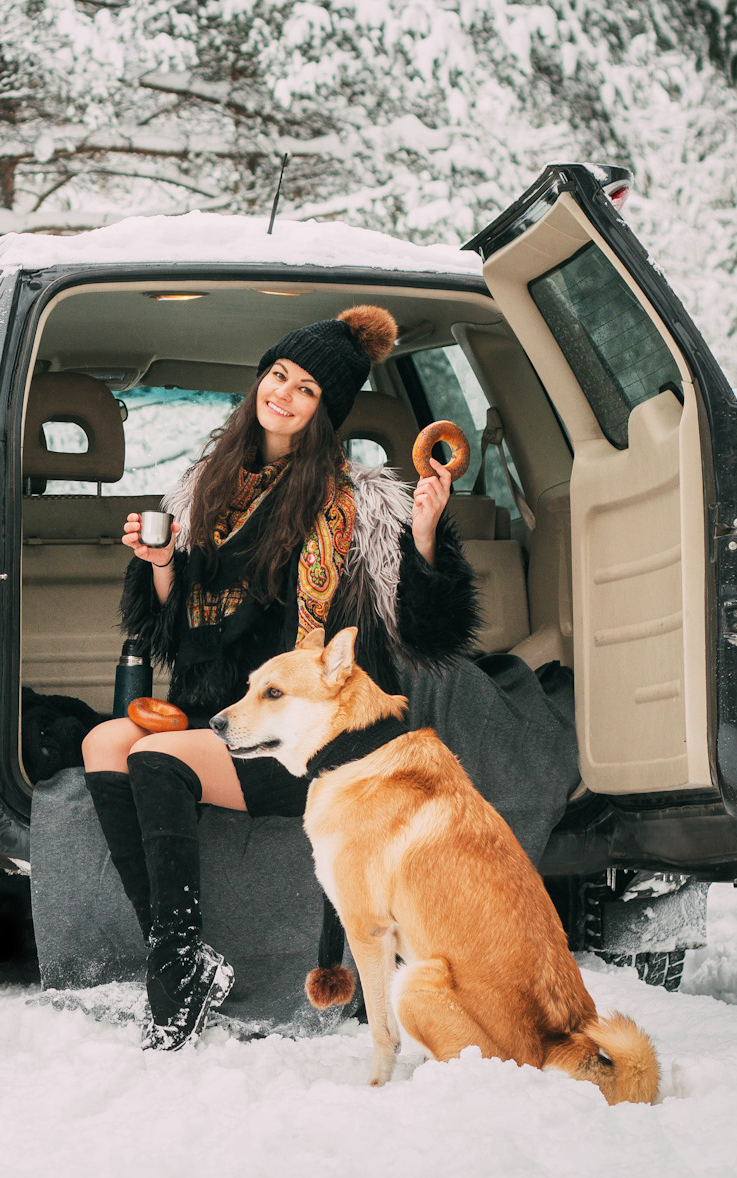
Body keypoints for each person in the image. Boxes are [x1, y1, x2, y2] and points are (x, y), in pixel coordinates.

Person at [81, 304, 485, 1049]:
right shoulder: (205, 489)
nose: (285, 395)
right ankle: (177, 953)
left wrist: (426, 535)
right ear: (261, 381)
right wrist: (162, 565)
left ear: (325, 410)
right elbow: (170, 633)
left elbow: (431, 636)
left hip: (314, 733)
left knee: (155, 756)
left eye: (306, 389)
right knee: (105, 742)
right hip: (223, 711)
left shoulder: (359, 505)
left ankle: (172, 973)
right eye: (279, 376)